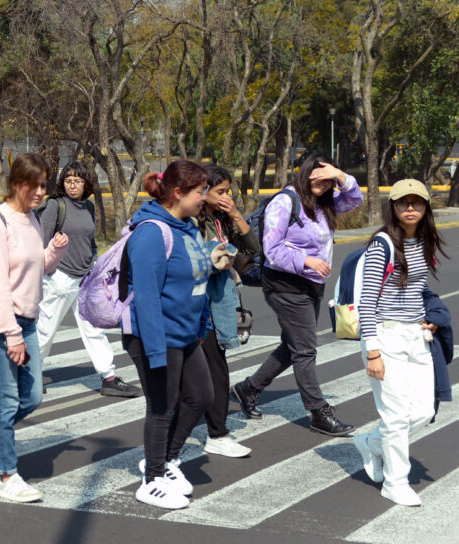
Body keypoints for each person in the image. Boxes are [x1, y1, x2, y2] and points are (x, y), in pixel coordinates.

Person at [0, 153, 68, 503]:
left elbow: (33, 271)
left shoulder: (31, 219)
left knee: (31, 397)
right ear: (16, 184)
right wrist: (12, 334)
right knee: (5, 401)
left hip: (26, 319)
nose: (40, 191)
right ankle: (7, 476)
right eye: (33, 185)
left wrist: (53, 254)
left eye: (43, 185)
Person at [234, 153, 363, 436]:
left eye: (330, 181)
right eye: (319, 179)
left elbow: (354, 200)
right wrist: (306, 260)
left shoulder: (322, 203)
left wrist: (341, 176)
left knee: (293, 345)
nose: (325, 185)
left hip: (311, 285)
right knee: (305, 349)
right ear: (305, 174)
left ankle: (248, 388)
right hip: (284, 285)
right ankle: (318, 412)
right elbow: (272, 250)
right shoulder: (285, 202)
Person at [114, 160, 214, 510]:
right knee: (162, 407)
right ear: (178, 193)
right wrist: (157, 353)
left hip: (186, 334)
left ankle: (167, 459)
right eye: (200, 191)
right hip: (154, 336)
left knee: (201, 397)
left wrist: (202, 326)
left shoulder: (188, 227)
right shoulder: (151, 233)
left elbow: (198, 279)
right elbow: (147, 298)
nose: (204, 197)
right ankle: (152, 478)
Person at [354, 179, 449, 507]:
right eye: (403, 203)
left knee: (423, 410)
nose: (410, 208)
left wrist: (429, 316)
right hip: (385, 335)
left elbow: (417, 289)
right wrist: (374, 351)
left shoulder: (423, 240)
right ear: (392, 207)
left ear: (426, 207)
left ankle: (371, 443)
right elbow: (367, 301)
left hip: (416, 335)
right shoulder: (382, 244)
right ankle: (395, 482)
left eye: (417, 203)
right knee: (395, 416)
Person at [36, 160, 139, 399]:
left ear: (86, 183)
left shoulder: (88, 207)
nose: (72, 185)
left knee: (94, 329)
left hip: (85, 278)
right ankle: (30, 375)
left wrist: (93, 263)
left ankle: (109, 377)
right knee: (45, 329)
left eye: (78, 181)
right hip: (60, 278)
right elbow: (42, 242)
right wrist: (50, 272)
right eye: (68, 180)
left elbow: (90, 241)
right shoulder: (55, 206)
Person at [195, 164, 256, 458]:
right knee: (210, 373)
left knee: (214, 368)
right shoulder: (191, 220)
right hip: (194, 306)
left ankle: (214, 431)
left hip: (216, 301)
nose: (225, 196)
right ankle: (215, 433)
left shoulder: (223, 220)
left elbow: (252, 250)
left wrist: (235, 214)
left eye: (228, 191)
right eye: (219, 191)